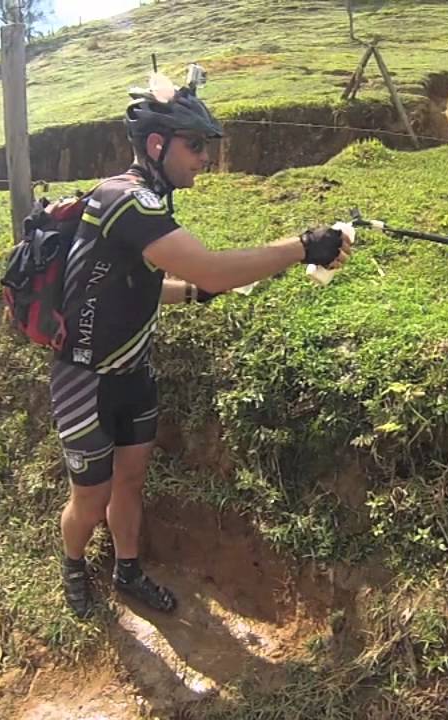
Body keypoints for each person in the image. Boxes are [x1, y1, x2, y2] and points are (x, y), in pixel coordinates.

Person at [53, 79, 351, 618]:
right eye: (196, 145)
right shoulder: (125, 200)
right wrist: (302, 246)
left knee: (132, 480)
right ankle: (74, 565)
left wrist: (191, 293)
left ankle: (127, 570)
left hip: (132, 374)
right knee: (91, 500)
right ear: (156, 146)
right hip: (84, 380)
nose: (206, 158)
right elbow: (212, 265)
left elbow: (133, 285)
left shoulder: (149, 201)